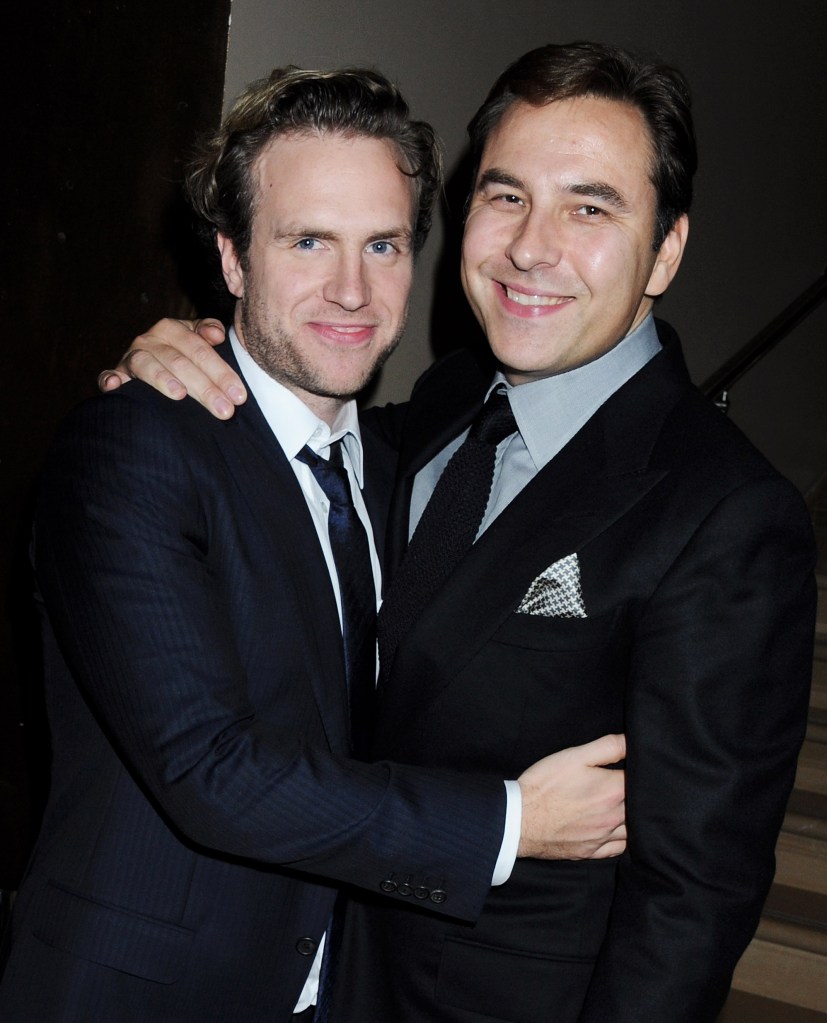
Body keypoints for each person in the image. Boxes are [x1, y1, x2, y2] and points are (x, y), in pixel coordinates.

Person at [100, 42, 816, 1022]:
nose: (531, 247)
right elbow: (305, 433)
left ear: (665, 250)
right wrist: (184, 346)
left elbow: (691, 901)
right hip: (335, 977)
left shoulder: (727, 515)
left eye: (589, 206)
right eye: (505, 195)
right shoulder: (446, 401)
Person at [0, 66, 629, 1022]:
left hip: (332, 986)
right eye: (307, 242)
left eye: (382, 244)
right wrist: (510, 822)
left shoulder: (398, 461)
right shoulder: (134, 446)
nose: (351, 290)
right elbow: (208, 770)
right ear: (233, 261)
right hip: (145, 992)